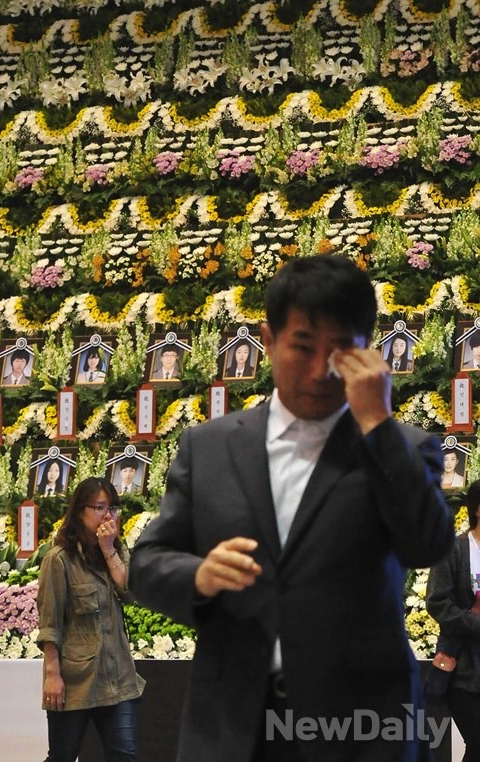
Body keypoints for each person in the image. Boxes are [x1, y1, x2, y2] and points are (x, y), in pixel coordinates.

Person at [129, 254, 453, 762]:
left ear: (368, 352)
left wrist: (378, 425)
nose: (320, 369)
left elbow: (427, 545)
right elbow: (146, 564)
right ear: (268, 339)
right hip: (233, 726)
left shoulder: (403, 449)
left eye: (340, 350)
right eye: (303, 346)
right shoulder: (208, 448)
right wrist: (199, 576)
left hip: (362, 731)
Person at [37, 476, 145, 762]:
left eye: (112, 508)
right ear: (79, 511)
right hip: (76, 678)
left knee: (124, 755)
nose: (108, 515)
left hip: (118, 675)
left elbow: (129, 593)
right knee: (62, 756)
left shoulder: (117, 550)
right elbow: (50, 623)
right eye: (99, 507)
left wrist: (108, 549)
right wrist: (52, 675)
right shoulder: (59, 559)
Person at [426, 479, 480, 762]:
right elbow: (437, 602)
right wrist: (474, 623)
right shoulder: (453, 550)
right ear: (477, 509)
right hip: (464, 668)